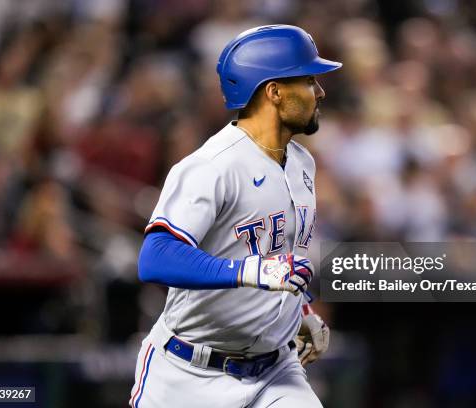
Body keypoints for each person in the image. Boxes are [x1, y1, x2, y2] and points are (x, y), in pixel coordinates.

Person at [130, 25, 342, 408]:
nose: (321, 91)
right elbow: (155, 256)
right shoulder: (212, 166)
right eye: (309, 80)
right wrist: (250, 271)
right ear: (274, 91)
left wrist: (303, 310)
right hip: (188, 373)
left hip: (276, 372)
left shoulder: (302, 163)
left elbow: (279, 256)